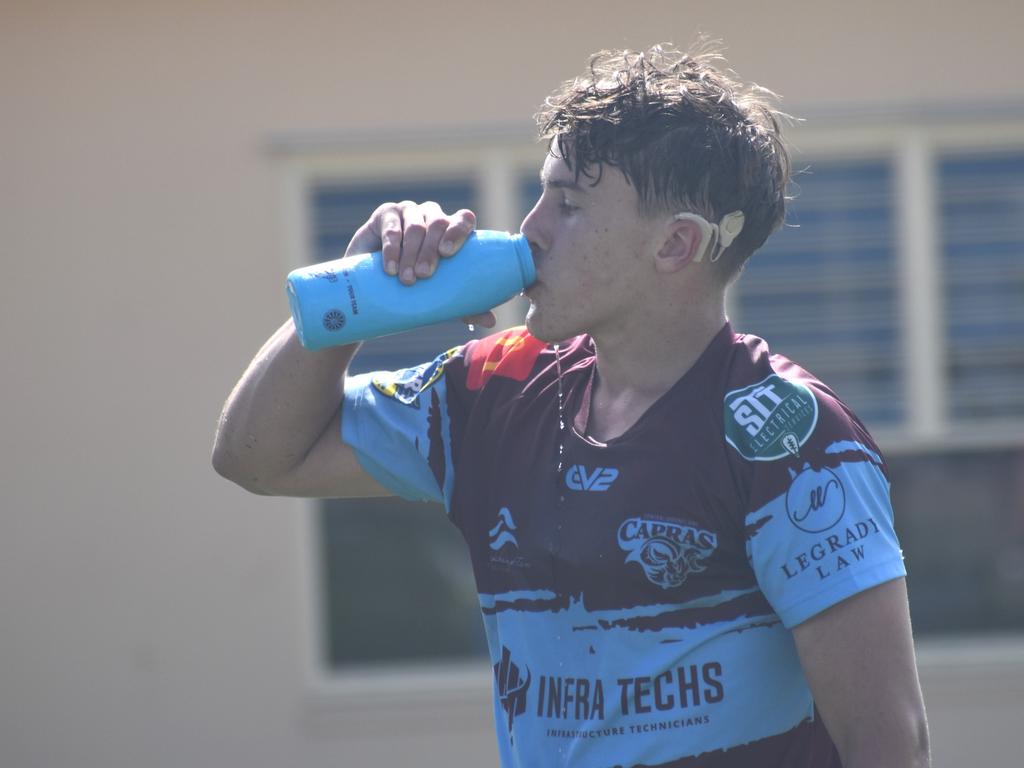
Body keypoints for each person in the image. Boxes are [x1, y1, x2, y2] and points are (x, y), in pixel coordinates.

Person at [213, 43, 930, 767]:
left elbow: (888, 743)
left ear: (676, 245)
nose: (530, 230)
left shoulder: (789, 438)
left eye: (569, 206)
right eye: (541, 194)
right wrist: (358, 295)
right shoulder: (494, 388)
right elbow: (256, 456)